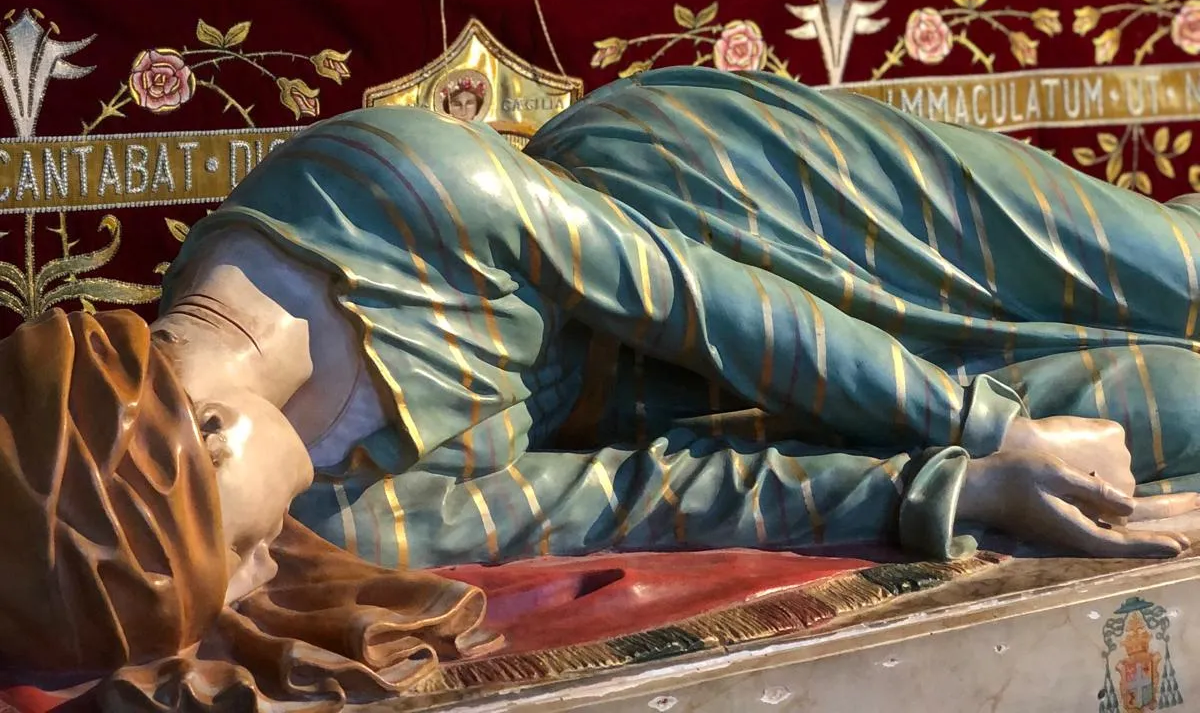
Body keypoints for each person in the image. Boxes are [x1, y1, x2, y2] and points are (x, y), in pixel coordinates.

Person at [145, 68, 1200, 588]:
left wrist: (981, 427)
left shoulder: (385, 190)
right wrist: (956, 483)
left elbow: (694, 297)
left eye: (230, 548)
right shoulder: (322, 519)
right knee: (1173, 420)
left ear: (211, 429)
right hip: (692, 407)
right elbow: (630, 500)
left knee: (1175, 270)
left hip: (734, 201)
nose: (257, 578)